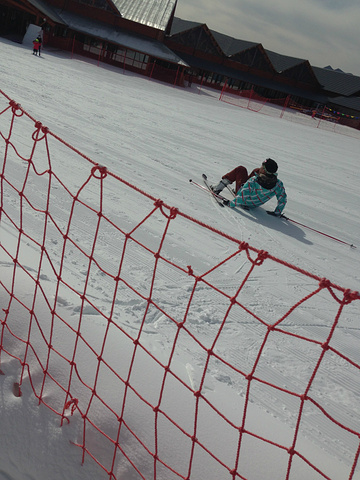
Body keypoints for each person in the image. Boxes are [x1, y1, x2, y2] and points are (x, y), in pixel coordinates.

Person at [211, 158, 287, 216]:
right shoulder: (278, 184)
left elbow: (243, 197)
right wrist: (277, 212)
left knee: (241, 169)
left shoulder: (254, 180)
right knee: (256, 171)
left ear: (264, 170)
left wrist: (230, 204)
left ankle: (218, 187)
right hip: (254, 204)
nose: (260, 167)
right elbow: (282, 199)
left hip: (244, 200)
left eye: (262, 166)